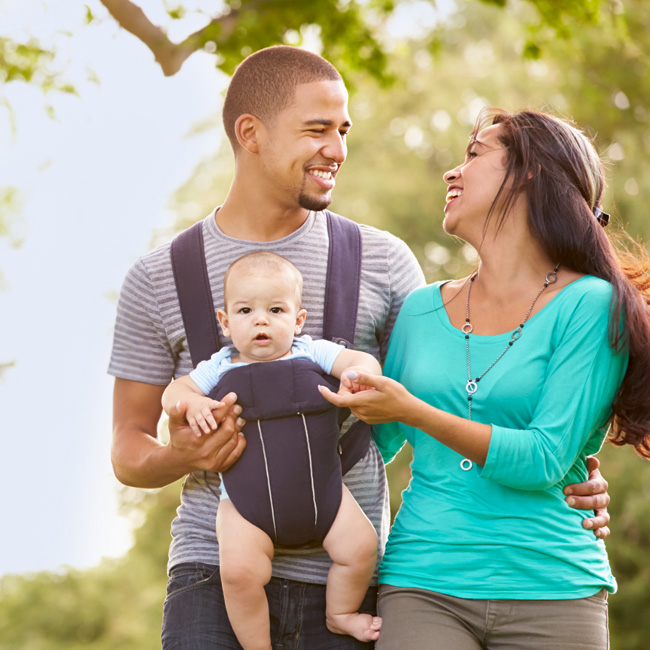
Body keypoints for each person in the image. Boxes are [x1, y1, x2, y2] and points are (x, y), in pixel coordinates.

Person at [108, 45, 612, 650]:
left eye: (343, 131)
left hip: (349, 578)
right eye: (317, 130)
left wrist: (571, 465)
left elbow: (433, 398)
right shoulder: (159, 276)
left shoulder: (383, 261)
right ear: (251, 134)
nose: (338, 150)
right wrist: (186, 454)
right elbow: (127, 449)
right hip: (215, 571)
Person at [320, 108, 650, 649]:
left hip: (554, 587)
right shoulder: (422, 309)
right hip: (421, 584)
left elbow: (545, 458)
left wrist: (412, 409)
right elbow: (369, 447)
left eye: (474, 154)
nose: (452, 172)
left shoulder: (592, 305)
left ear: (529, 175)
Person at [161, 251, 383, 648]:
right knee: (237, 573)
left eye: (275, 309)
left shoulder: (312, 351)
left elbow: (359, 359)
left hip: (326, 498)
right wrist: (190, 403)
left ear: (297, 320)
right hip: (246, 508)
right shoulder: (218, 365)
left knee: (362, 548)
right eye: (246, 310)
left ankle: (341, 613)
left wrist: (358, 376)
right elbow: (175, 390)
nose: (260, 320)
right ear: (226, 322)